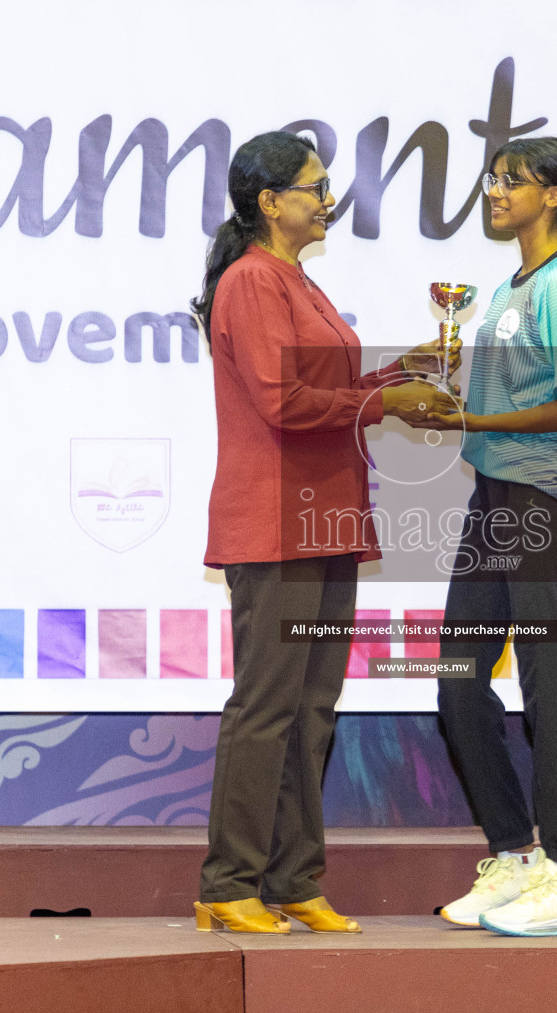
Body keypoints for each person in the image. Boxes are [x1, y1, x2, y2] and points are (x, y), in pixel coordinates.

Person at [191, 131, 441, 934]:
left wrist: (403, 373)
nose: (329, 198)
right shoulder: (253, 281)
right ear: (270, 202)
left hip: (324, 520)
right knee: (266, 709)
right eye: (315, 186)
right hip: (274, 525)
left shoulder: (296, 280)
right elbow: (284, 405)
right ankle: (227, 884)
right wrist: (384, 405)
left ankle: (293, 878)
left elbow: (329, 390)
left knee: (313, 709)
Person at [420, 137, 557, 937]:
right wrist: (440, 378)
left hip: (546, 498)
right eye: (493, 179)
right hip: (497, 495)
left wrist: (474, 415)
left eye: (514, 181)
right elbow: (492, 390)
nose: (495, 192)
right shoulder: (504, 287)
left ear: (555, 196)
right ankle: (515, 855)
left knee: (545, 679)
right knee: (458, 680)